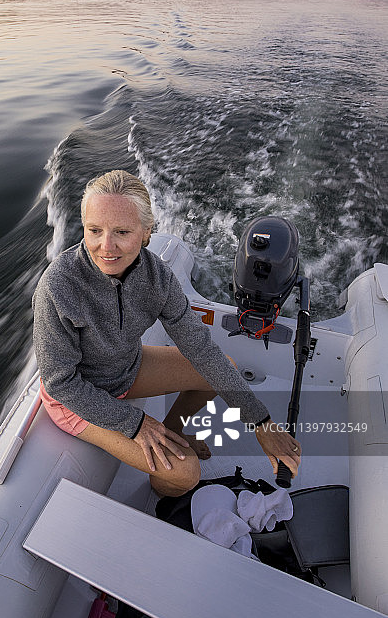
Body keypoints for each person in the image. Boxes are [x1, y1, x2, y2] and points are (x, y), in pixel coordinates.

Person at [33, 170, 301, 497]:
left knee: (221, 365)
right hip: (77, 397)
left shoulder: (157, 277)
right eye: (94, 230)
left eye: (122, 232)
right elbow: (59, 381)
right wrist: (135, 424)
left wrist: (260, 422)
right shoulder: (57, 287)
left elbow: (201, 349)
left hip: (126, 369)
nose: (106, 246)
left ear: (146, 233)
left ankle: (173, 432)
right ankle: (162, 487)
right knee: (185, 474)